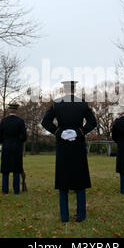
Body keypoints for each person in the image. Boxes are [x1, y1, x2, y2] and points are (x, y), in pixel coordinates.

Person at [41, 81, 97, 222]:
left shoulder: (56, 103)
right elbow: (92, 122)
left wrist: (59, 132)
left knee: (63, 181)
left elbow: (45, 122)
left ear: (64, 89)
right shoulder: (82, 104)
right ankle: (81, 216)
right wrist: (79, 132)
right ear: (74, 89)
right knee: (80, 180)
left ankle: (64, 217)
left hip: (63, 146)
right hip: (78, 145)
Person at [0, 103, 27, 195]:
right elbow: (24, 136)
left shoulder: (3, 121)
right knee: (16, 169)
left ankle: (5, 190)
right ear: (16, 110)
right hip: (17, 146)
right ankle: (16, 190)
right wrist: (19, 141)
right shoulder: (20, 121)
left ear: (9, 110)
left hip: (6, 146)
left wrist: (4, 142)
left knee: (5, 169)